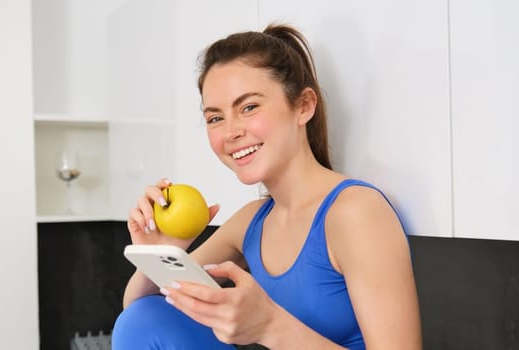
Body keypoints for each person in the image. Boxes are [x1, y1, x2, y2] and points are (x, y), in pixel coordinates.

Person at [112, 23, 421, 349]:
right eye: (215, 118)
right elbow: (140, 309)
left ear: (304, 106)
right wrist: (160, 252)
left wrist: (271, 326)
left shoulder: (355, 213)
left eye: (248, 107)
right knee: (144, 319)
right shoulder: (253, 220)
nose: (230, 132)